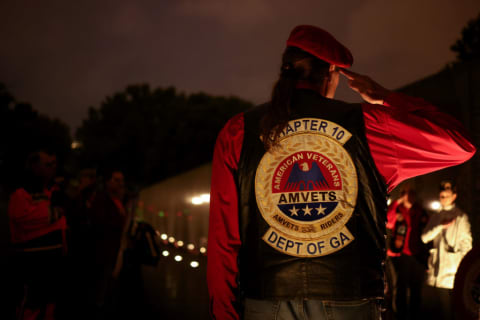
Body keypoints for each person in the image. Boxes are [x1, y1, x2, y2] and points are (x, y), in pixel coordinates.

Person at [207, 25, 476, 320]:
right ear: (332, 72)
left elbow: (223, 242)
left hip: (264, 302)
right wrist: (387, 97)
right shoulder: (369, 126)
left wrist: (225, 315)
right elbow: (460, 144)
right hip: (350, 302)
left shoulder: (238, 132)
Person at [8, 149, 68, 320]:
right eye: (48, 164)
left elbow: (63, 218)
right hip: (31, 265)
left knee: (49, 305)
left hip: (53, 263)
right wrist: (54, 214)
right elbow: (23, 217)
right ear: (34, 166)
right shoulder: (21, 191)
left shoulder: (52, 190)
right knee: (30, 307)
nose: (53, 168)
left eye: (54, 164)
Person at [421, 180, 472, 320]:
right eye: (441, 196)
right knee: (438, 311)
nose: (442, 198)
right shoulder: (436, 216)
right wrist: (440, 226)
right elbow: (424, 237)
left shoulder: (461, 217)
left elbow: (466, 246)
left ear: (454, 196)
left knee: (449, 310)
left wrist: (463, 270)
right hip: (436, 271)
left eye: (446, 196)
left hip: (452, 273)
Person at [385, 186, 428, 320]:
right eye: (404, 193)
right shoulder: (397, 210)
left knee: (416, 288)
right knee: (400, 287)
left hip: (416, 255)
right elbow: (387, 221)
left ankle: (415, 315)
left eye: (411, 193)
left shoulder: (420, 211)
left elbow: (427, 227)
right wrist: (397, 202)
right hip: (399, 255)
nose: (408, 196)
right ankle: (400, 316)